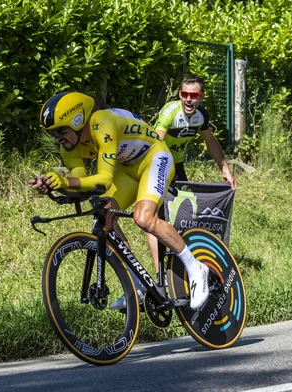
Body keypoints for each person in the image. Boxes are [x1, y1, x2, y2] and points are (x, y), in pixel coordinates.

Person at [29, 91, 210, 310]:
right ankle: (139, 287)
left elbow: (104, 180)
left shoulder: (102, 124)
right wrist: (52, 184)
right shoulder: (69, 147)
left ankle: (196, 268)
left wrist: (66, 182)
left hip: (155, 158)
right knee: (105, 217)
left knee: (144, 218)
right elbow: (84, 182)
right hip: (127, 169)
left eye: (60, 131)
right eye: (52, 133)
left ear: (77, 120)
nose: (57, 138)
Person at [146, 75, 237, 273]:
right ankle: (159, 271)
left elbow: (211, 143)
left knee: (183, 212)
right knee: (154, 216)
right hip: (158, 163)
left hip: (177, 165)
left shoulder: (201, 115)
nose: (188, 99)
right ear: (180, 94)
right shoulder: (170, 112)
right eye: (185, 94)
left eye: (193, 95)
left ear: (201, 97)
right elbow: (154, 144)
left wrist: (226, 171)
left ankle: (182, 258)